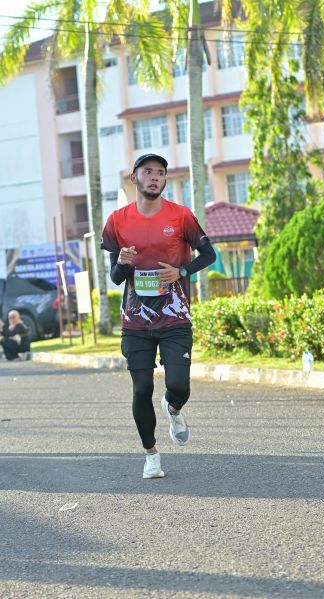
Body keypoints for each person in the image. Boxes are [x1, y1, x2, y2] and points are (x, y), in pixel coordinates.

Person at [101, 153, 216, 479]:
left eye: (160, 173)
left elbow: (209, 254)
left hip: (174, 317)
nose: (154, 177)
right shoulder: (117, 220)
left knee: (179, 385)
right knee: (141, 390)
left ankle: (173, 408)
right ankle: (151, 454)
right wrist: (121, 262)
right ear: (135, 177)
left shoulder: (181, 216)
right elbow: (115, 277)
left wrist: (181, 271)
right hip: (135, 321)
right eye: (148, 171)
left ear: (165, 179)